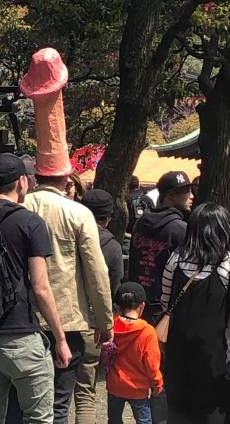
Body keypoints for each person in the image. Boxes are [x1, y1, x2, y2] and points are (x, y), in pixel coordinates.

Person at [0, 153, 72, 424]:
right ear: (21, 182)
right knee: (38, 418)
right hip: (21, 336)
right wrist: (60, 338)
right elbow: (40, 288)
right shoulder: (29, 222)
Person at [25, 175, 114, 424]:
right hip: (67, 317)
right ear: (66, 180)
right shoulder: (78, 213)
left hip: (22, 317)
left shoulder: (19, 206)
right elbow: (97, 272)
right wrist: (104, 321)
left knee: (24, 400)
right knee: (60, 402)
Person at [162, 202, 230, 423]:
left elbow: (165, 302)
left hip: (177, 349)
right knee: (210, 415)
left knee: (178, 411)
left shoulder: (176, 259)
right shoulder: (226, 264)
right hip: (214, 357)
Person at [73, 189, 124, 424]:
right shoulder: (112, 247)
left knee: (57, 392)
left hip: (64, 317)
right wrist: (106, 322)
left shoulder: (68, 236)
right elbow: (113, 287)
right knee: (85, 393)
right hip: (93, 323)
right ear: (107, 217)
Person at [129, 171, 192, 325]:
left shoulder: (141, 223)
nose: (191, 196)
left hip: (135, 302)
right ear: (170, 195)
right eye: (185, 191)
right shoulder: (181, 229)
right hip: (164, 307)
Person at [107, 282, 163, 424]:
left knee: (114, 420)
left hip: (115, 384)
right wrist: (157, 385)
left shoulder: (111, 326)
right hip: (138, 388)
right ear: (142, 306)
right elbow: (152, 364)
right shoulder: (147, 331)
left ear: (119, 306)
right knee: (144, 421)